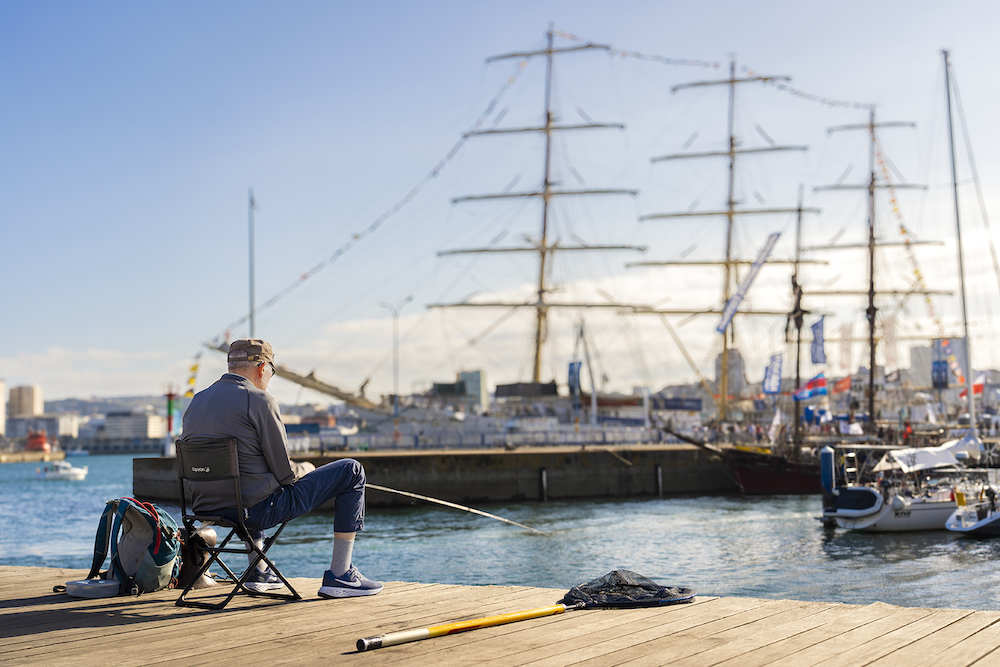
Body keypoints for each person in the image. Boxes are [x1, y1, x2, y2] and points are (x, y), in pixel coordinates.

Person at [181, 338, 382, 598]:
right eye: (271, 373)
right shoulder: (260, 399)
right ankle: (341, 575)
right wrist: (307, 469)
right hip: (252, 511)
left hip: (205, 508)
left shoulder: (197, 401)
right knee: (352, 471)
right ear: (263, 368)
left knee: (249, 481)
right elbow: (285, 473)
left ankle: (258, 571)